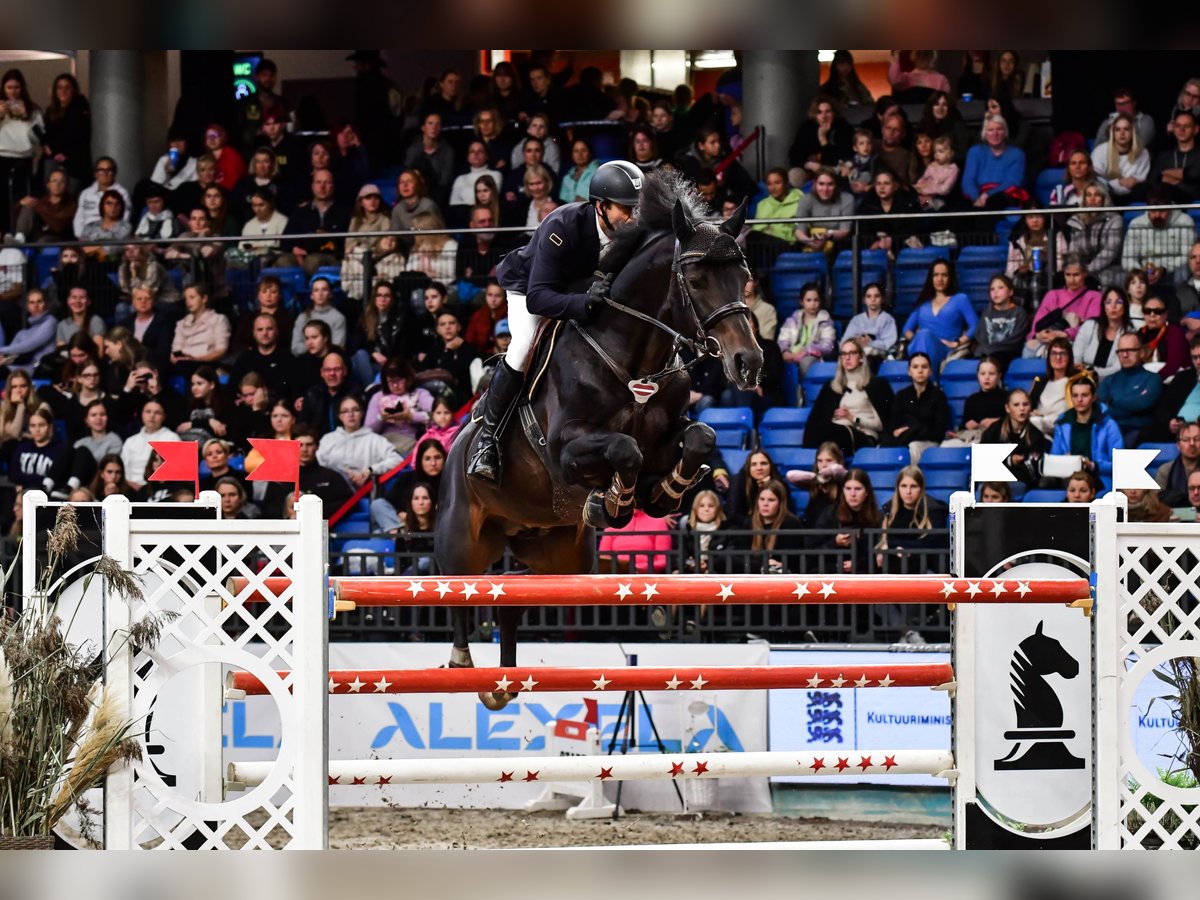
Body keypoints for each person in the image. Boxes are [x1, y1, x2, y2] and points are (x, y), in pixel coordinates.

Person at [468, 160, 644, 482]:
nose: (633, 217)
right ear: (601, 206)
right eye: (626, 209)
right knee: (522, 346)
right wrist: (582, 303)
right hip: (530, 289)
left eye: (637, 209)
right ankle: (487, 442)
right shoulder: (562, 226)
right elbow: (538, 298)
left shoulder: (630, 232)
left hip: (578, 290)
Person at [803, 340, 893, 455]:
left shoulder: (875, 385)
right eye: (844, 354)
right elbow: (815, 420)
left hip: (864, 437)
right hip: (837, 433)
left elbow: (881, 425)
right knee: (818, 429)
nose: (847, 358)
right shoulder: (831, 387)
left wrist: (853, 418)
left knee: (833, 431)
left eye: (852, 353)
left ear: (861, 357)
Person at [901, 259, 978, 373]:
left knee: (924, 334)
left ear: (950, 277)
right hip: (920, 349)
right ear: (931, 278)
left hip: (945, 350)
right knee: (923, 335)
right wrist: (918, 339)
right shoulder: (923, 303)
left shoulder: (960, 299)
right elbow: (906, 329)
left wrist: (959, 342)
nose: (939, 279)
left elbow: (975, 325)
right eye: (936, 275)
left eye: (944, 275)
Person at [316, 394, 404, 490]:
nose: (350, 414)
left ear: (362, 414)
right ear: (339, 416)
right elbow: (318, 462)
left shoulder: (375, 440)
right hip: (332, 490)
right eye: (345, 411)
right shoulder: (328, 439)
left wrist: (370, 470)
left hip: (364, 491)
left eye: (355, 410)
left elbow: (397, 460)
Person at [1048, 373, 1123, 485]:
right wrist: (1063, 461)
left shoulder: (1109, 425)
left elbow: (1119, 464)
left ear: (1093, 397)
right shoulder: (1063, 423)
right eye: (1075, 395)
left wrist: (1093, 465)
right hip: (1068, 477)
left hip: (1098, 478)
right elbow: (1054, 458)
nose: (1079, 399)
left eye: (1084, 395)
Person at [878, 465, 948, 582]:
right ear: (898, 488)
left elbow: (932, 542)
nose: (908, 492)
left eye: (913, 486)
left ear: (921, 488)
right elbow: (886, 539)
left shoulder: (934, 510)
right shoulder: (889, 510)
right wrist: (895, 548)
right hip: (895, 567)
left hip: (925, 568)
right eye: (903, 486)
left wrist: (903, 548)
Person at [1024, 255, 1102, 357]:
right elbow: (1038, 322)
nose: (1071, 279)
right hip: (1047, 337)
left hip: (1076, 340)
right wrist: (1038, 334)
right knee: (1029, 347)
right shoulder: (1053, 295)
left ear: (1085, 274)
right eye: (1068, 275)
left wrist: (1066, 334)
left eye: (1076, 275)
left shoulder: (1095, 297)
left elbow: (1092, 327)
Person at [281, 167, 350, 274]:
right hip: (302, 256)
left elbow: (343, 243)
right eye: (318, 182)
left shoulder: (344, 212)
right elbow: (285, 240)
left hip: (331, 257)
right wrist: (294, 249)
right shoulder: (300, 211)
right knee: (283, 261)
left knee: (312, 261)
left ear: (333, 186)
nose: (322, 186)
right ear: (312, 186)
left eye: (327, 182)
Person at [811, 469, 881, 574]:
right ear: (843, 490)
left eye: (858, 489)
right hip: (832, 574)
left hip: (865, 575)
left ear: (866, 492)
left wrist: (858, 564)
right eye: (848, 488)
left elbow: (880, 556)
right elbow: (812, 550)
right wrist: (835, 542)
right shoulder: (829, 513)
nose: (852, 494)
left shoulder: (878, 517)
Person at [1121, 185, 1195, 285]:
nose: (1157, 215)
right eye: (1153, 211)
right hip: (1145, 275)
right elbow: (1127, 258)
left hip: (1174, 275)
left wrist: (1164, 270)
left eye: (1162, 211)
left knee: (1182, 271)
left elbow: (1188, 255)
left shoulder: (1185, 221)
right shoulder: (1136, 224)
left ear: (1169, 207)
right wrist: (1140, 271)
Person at [0, 69, 44, 233]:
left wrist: (27, 116)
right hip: (2, 156)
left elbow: (40, 138)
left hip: (24, 158)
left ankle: (19, 232)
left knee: (21, 199)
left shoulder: (33, 109)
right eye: (9, 87)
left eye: (16, 87)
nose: (13, 91)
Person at [883, 353, 950, 459]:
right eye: (915, 367)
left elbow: (938, 430)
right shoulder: (901, 395)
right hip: (902, 441)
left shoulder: (938, 396)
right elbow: (892, 427)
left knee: (914, 446)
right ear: (909, 371)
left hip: (927, 443)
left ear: (930, 371)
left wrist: (911, 430)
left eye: (924, 367)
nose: (920, 371)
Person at [371, 437, 446, 532]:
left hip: (435, 526)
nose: (433, 463)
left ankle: (399, 535)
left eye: (437, 458)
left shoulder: (451, 481)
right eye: (427, 459)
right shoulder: (407, 477)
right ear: (420, 461)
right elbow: (390, 503)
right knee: (377, 504)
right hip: (405, 523)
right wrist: (399, 513)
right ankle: (398, 531)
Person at [1100, 332, 1162, 445]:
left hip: (1138, 432)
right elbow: (1100, 408)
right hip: (1110, 430)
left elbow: (1143, 403)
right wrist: (1130, 406)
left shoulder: (1153, 379)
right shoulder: (1109, 380)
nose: (1124, 355)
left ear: (1141, 352)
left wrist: (1112, 401)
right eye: (1121, 351)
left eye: (1130, 350)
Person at [365, 358, 434, 456]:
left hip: (409, 443)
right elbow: (368, 430)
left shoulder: (420, 394)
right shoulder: (377, 397)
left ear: (408, 378)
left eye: (399, 381)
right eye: (390, 382)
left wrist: (411, 416)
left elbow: (437, 415)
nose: (395, 385)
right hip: (383, 443)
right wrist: (382, 418)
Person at [1006, 202, 1069, 308]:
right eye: (1030, 217)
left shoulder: (1055, 234)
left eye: (1039, 216)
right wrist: (1019, 269)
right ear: (1025, 220)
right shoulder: (1017, 238)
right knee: (1018, 281)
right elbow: (1010, 266)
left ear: (1044, 217)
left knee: (1036, 280)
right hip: (1025, 276)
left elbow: (1062, 259)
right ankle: (1021, 315)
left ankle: (1038, 314)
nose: (1035, 220)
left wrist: (1047, 265)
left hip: (1052, 275)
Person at [741, 478, 806, 575]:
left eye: (771, 500)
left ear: (780, 503)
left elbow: (793, 560)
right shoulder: (749, 523)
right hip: (754, 575)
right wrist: (762, 565)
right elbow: (741, 558)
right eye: (762, 499)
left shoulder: (791, 523)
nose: (765, 504)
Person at [40, 72, 91, 192]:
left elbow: (80, 135)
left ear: (73, 90)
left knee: (69, 194)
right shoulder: (51, 110)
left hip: (73, 160)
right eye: (59, 87)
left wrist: (64, 152)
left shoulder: (80, 107)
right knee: (51, 193)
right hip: (52, 158)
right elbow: (46, 133)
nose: (63, 91)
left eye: (67, 87)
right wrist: (45, 145)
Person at [962, 114, 1025, 209]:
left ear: (1005, 132)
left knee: (994, 203)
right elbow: (968, 181)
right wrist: (976, 199)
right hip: (977, 196)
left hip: (1004, 195)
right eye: (990, 130)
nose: (995, 133)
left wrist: (987, 195)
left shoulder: (1016, 154)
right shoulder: (975, 151)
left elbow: (1013, 182)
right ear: (985, 133)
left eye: (999, 129)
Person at [776, 283, 836, 383]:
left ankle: (805, 393)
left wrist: (806, 351)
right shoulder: (792, 320)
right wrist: (785, 352)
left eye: (816, 300)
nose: (812, 304)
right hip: (791, 355)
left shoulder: (825, 320)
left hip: (812, 357)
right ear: (801, 302)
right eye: (808, 300)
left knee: (806, 362)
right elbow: (782, 341)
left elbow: (827, 346)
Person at [1074, 287, 1136, 379]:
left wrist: (1094, 373)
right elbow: (1076, 354)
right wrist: (1079, 368)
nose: (1113, 306)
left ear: (1125, 307)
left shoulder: (1130, 333)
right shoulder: (1090, 325)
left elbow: (1118, 367)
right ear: (1104, 307)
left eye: (1118, 302)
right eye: (1108, 302)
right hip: (1081, 377)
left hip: (1113, 379)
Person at [786, 96, 853, 180]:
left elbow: (837, 158)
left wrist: (823, 139)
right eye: (819, 112)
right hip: (811, 168)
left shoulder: (843, 128)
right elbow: (794, 155)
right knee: (795, 174)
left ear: (834, 113)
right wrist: (808, 164)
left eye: (828, 112)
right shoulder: (807, 127)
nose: (824, 117)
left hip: (834, 168)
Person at [858, 169, 921, 257]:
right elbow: (863, 229)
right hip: (877, 247)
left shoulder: (906, 204)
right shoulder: (867, 205)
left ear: (895, 186)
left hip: (901, 246)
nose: (882, 187)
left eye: (886, 183)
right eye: (878, 184)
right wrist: (876, 241)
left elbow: (912, 227)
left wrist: (893, 240)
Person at [171, 284, 230, 378]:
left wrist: (197, 359)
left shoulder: (218, 319)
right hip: (183, 365)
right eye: (186, 298)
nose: (188, 302)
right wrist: (177, 358)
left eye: (192, 297)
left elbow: (221, 350)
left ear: (204, 299)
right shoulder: (181, 323)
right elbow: (175, 350)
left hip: (207, 365)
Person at [792, 167, 854, 254]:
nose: (825, 189)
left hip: (840, 246)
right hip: (811, 244)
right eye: (821, 184)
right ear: (814, 184)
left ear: (836, 185)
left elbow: (845, 230)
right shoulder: (806, 199)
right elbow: (799, 230)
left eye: (830, 184)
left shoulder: (847, 199)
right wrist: (809, 242)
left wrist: (828, 235)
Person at [974, 275, 1029, 371]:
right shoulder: (987, 312)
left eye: (1000, 288)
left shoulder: (1019, 313)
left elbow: (1015, 340)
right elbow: (982, 337)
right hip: (987, 352)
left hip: (1008, 353)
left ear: (1011, 292)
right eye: (992, 289)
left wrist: (992, 349)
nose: (995, 292)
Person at [120, 399, 178, 490]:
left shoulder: (172, 439)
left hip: (159, 488)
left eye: (157, 413)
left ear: (164, 417)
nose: (152, 416)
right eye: (148, 411)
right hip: (130, 488)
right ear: (142, 414)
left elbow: (175, 471)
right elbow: (122, 469)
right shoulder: (130, 441)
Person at [1092, 112, 1151, 201]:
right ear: (1113, 132)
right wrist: (1119, 182)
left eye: (1126, 129)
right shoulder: (1100, 151)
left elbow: (1137, 181)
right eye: (1118, 129)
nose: (1122, 133)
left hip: (1132, 195)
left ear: (1132, 131)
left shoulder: (1143, 153)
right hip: (1106, 195)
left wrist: (1118, 184)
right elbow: (1095, 179)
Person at [949, 355, 1007, 444]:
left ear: (999, 376)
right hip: (973, 437)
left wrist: (996, 421)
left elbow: (1014, 422)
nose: (987, 377)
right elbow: (963, 426)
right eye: (982, 374)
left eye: (991, 374)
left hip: (996, 438)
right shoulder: (971, 400)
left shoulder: (1007, 397)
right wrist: (968, 425)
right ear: (978, 375)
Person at [597, 508, 673, 575]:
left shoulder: (658, 522)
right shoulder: (614, 523)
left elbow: (663, 560)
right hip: (616, 575)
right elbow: (604, 558)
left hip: (647, 578)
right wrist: (624, 568)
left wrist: (636, 569)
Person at [1029, 338, 1077, 438]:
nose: (1058, 357)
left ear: (1069, 357)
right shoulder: (1040, 382)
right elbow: (1031, 406)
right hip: (1038, 428)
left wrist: (1043, 417)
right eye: (1054, 353)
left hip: (1062, 429)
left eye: (1062, 353)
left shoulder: (1076, 381)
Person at [726, 448, 791, 522]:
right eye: (754, 464)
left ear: (770, 466)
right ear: (748, 467)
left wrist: (771, 486)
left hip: (775, 524)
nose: (759, 468)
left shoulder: (780, 483)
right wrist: (757, 526)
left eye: (764, 463)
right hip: (746, 526)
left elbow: (787, 511)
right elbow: (733, 514)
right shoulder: (738, 481)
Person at [73, 156, 131, 238]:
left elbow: (125, 219)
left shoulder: (122, 193)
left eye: (109, 170)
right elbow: (79, 219)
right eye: (101, 170)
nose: (105, 173)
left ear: (114, 173)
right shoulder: (86, 193)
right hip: (87, 237)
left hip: (111, 238)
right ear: (95, 173)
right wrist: (81, 237)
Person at [14, 167, 76, 243]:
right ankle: (19, 238)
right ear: (48, 185)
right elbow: (13, 217)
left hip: (58, 240)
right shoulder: (42, 201)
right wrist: (20, 203)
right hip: (36, 238)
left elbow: (58, 227)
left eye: (62, 181)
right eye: (54, 181)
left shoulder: (71, 205)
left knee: (43, 241)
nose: (57, 184)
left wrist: (38, 207)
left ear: (67, 185)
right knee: (28, 207)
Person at [0, 288, 56, 372]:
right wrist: (4, 360)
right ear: (27, 307)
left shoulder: (51, 321)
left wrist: (1, 350)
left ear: (46, 304)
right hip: (17, 373)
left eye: (39, 301)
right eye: (32, 302)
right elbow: (14, 355)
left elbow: (31, 344)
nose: (36, 305)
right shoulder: (22, 333)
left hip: (39, 371)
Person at [1151, 110, 1200, 203]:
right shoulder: (1164, 156)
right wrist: (1183, 179)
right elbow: (1153, 180)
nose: (1181, 130)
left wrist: (1171, 179)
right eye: (1178, 126)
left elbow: (1195, 178)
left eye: (1187, 126)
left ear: (1196, 129)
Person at [290, 276, 346, 356]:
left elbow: (338, 348)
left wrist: (312, 347)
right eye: (316, 290)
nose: (320, 294)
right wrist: (316, 346)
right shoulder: (303, 317)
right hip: (306, 360)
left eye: (324, 290)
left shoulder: (338, 318)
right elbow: (295, 348)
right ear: (311, 295)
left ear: (330, 294)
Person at [1138, 295, 1190, 381]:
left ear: (1165, 314)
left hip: (1172, 380)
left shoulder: (1174, 332)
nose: (1152, 314)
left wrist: (1153, 381)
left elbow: (1173, 365)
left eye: (1157, 311)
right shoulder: (1140, 333)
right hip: (1145, 380)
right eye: (1147, 311)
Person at [843, 282, 898, 363]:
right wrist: (856, 341)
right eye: (869, 296)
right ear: (864, 300)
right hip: (856, 354)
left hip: (878, 357)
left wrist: (871, 342)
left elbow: (889, 343)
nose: (873, 299)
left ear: (882, 299)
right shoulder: (856, 320)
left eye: (877, 296)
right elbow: (844, 341)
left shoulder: (888, 319)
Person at [1155, 421, 1200, 507]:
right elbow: (1156, 505)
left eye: (1197, 439)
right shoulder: (1165, 470)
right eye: (1186, 440)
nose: (1192, 443)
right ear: (1178, 445)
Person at [918, 91, 970, 162]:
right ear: (931, 107)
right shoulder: (923, 124)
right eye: (936, 104)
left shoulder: (958, 125)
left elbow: (963, 153)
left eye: (944, 105)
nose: (940, 108)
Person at [913, 136, 959, 210]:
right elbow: (923, 179)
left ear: (950, 153)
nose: (936, 154)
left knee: (929, 204)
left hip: (940, 199)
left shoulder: (953, 169)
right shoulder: (932, 166)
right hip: (923, 196)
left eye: (941, 151)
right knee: (913, 203)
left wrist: (926, 190)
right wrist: (917, 187)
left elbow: (944, 190)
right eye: (935, 152)